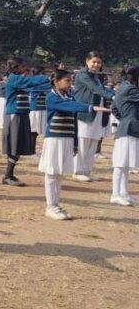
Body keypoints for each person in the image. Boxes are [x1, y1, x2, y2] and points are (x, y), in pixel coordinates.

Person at [39, 69, 110, 220]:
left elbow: (74, 120)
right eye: (67, 81)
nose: (70, 84)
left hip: (66, 140)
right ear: (56, 81)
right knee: (52, 173)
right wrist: (91, 107)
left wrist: (76, 143)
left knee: (59, 174)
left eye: (70, 81)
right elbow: (70, 107)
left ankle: (56, 205)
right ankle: (50, 206)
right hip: (54, 140)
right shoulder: (52, 97)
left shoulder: (68, 96)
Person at [0, 58, 52, 186]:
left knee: (18, 145)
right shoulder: (14, 79)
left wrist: (52, 82)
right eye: (24, 67)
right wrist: (46, 78)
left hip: (22, 114)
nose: (26, 70)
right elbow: (31, 81)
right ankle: (7, 176)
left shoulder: (20, 79)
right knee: (14, 145)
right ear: (16, 68)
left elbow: (37, 86)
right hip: (15, 115)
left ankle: (9, 175)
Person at [72, 51, 116, 182]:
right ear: (87, 61)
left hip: (98, 113)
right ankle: (77, 171)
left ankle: (87, 171)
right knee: (83, 142)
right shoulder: (83, 75)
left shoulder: (96, 77)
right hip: (85, 112)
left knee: (93, 141)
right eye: (94, 62)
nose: (96, 65)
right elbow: (94, 89)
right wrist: (112, 96)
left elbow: (104, 89)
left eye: (99, 62)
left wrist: (119, 94)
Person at [110, 66, 139, 206]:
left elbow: (114, 108)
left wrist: (125, 118)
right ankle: (115, 194)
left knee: (125, 164)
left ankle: (123, 192)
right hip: (129, 128)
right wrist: (128, 119)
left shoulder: (123, 87)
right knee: (120, 164)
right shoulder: (131, 89)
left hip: (128, 127)